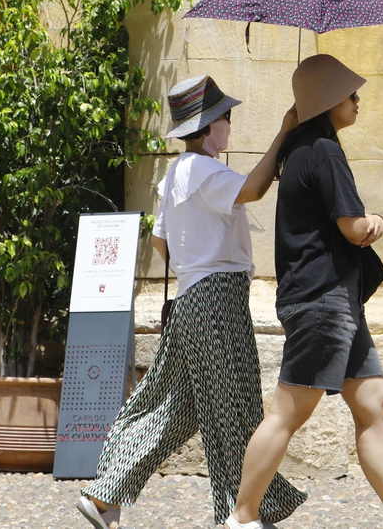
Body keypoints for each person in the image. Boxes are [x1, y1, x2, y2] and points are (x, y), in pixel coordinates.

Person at [228, 55, 383, 529]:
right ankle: (242, 518)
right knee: (287, 413)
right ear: (329, 98)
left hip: (333, 299)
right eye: (351, 94)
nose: (358, 101)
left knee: (374, 404)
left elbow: (262, 191)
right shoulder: (324, 150)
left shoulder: (300, 147)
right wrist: (379, 223)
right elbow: (353, 228)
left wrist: (287, 128)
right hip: (324, 299)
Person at [77, 76, 306, 529]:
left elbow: (161, 241)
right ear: (207, 127)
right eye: (226, 118)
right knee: (233, 407)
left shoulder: (177, 173)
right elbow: (254, 189)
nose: (229, 126)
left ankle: (105, 495)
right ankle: (243, 513)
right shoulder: (202, 169)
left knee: (174, 408)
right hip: (217, 299)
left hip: (192, 299)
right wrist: (284, 133)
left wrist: (193, 264)